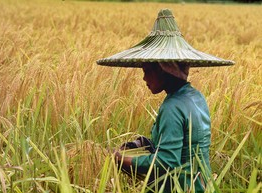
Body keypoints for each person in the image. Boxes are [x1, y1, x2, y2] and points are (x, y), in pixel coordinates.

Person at [97, 9, 234, 192]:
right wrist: (144, 144)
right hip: (202, 185)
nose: (144, 79)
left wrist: (120, 158)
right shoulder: (196, 97)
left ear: (163, 69)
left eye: (147, 71)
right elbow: (185, 142)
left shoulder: (172, 107)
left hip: (179, 187)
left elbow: (166, 162)